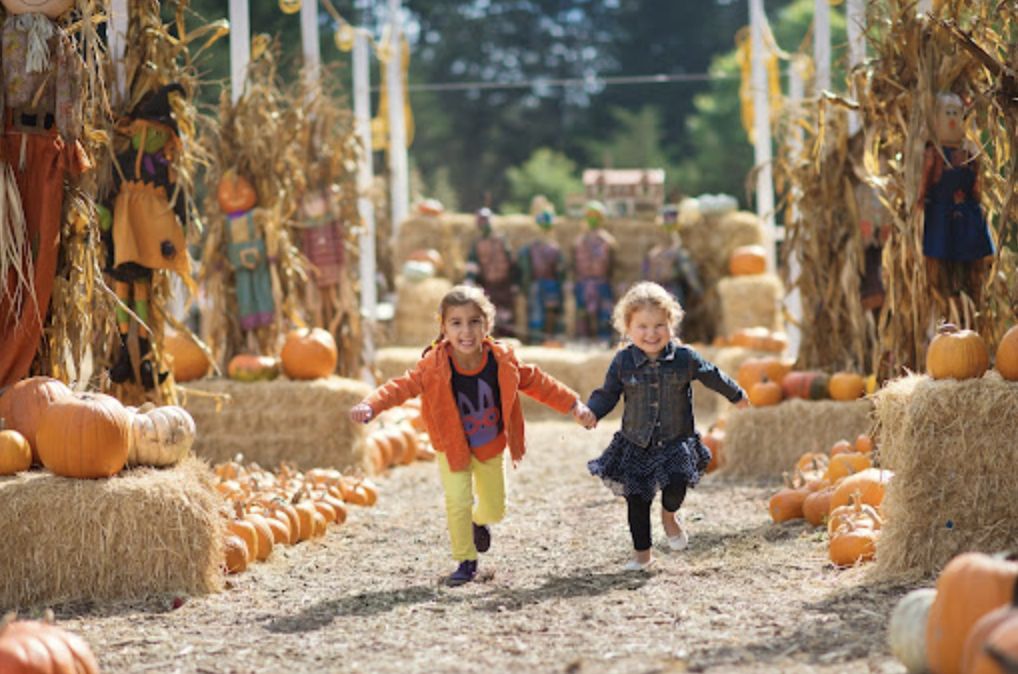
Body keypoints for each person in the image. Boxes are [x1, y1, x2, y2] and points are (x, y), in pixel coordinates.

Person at [350, 284, 595, 586]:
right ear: (443, 327)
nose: (466, 331)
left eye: (473, 322)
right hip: (452, 446)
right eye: (456, 323)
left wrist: (573, 404)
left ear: (487, 325)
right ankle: (465, 560)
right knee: (457, 500)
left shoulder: (501, 360)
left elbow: (537, 382)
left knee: (495, 508)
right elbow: (401, 387)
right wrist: (370, 405)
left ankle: (479, 522)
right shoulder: (434, 365)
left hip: (489, 446)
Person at [583, 282, 749, 571]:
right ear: (628, 328)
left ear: (671, 324)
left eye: (659, 325)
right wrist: (592, 412)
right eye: (643, 326)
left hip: (675, 440)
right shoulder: (623, 362)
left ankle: (669, 515)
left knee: (676, 486)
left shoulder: (684, 358)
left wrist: (736, 394)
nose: (651, 333)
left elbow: (712, 375)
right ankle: (642, 556)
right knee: (637, 499)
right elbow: (607, 394)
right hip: (636, 443)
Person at [919, 92, 995, 314]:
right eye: (947, 113)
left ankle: (966, 294)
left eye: (956, 113)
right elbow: (925, 181)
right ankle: (945, 297)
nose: (952, 118)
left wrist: (977, 199)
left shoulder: (968, 153)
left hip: (964, 213)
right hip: (941, 214)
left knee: (967, 259)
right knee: (942, 259)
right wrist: (920, 198)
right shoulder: (933, 153)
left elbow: (976, 184)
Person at [463, 207, 519, 338]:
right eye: (481, 221)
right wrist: (468, 285)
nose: (484, 224)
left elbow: (511, 263)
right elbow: (472, 266)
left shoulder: (502, 241)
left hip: (504, 286)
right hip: (488, 286)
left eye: (486, 220)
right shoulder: (477, 244)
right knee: (489, 314)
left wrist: (515, 283)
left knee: (506, 315)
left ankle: (507, 341)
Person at [518, 197, 566, 345]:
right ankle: (536, 340)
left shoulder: (555, 249)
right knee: (536, 315)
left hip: (550, 285)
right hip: (537, 286)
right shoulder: (530, 249)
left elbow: (561, 272)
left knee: (551, 313)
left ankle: (548, 339)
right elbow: (526, 271)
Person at [572, 200, 616, 343]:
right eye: (589, 215)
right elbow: (573, 264)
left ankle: (603, 340)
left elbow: (613, 266)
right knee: (582, 314)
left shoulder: (608, 241)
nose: (592, 218)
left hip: (602, 283)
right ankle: (584, 340)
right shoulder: (578, 242)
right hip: (583, 283)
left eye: (596, 215)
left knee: (604, 314)